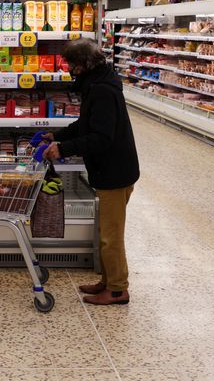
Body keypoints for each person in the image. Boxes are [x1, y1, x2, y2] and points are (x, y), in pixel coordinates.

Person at [41, 38, 140, 305]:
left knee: (111, 236)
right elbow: (86, 124)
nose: (69, 70)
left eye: (72, 64)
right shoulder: (98, 84)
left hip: (115, 172)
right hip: (110, 169)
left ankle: (118, 290)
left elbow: (100, 138)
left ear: (83, 64)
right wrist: (58, 136)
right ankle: (108, 281)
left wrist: (63, 148)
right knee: (105, 232)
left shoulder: (103, 91)